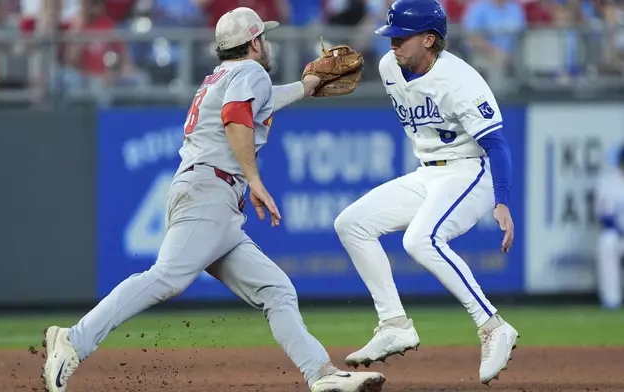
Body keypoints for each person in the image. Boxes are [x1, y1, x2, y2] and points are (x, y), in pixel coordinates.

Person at [41, 7, 386, 392]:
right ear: (255, 42)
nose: (266, 43)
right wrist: (254, 179)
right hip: (209, 192)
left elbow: (262, 99)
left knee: (276, 290)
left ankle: (321, 374)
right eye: (264, 37)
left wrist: (306, 85)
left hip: (212, 198)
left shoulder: (224, 75)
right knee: (166, 277)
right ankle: (74, 340)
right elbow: (237, 115)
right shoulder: (249, 72)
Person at [333, 0, 519, 385]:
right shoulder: (388, 67)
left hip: (472, 171)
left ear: (430, 39)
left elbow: (497, 145)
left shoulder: (461, 81)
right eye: (391, 36)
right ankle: (394, 324)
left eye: (402, 37)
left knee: (420, 240)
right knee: (351, 224)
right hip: (428, 172)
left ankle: (493, 325)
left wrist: (502, 201)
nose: (393, 44)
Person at [595, 146, 624, 310]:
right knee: (607, 241)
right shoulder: (609, 182)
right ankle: (611, 300)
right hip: (618, 235)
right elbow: (604, 216)